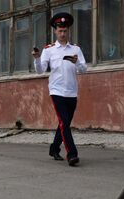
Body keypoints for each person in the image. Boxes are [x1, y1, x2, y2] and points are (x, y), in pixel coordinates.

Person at [32, 12, 87, 166]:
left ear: (68, 31)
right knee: (64, 122)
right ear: (55, 31)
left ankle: (54, 148)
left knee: (65, 124)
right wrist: (37, 58)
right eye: (60, 31)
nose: (62, 33)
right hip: (56, 91)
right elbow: (41, 70)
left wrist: (77, 63)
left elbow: (84, 70)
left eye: (65, 31)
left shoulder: (76, 49)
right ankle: (72, 154)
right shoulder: (49, 50)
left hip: (72, 91)